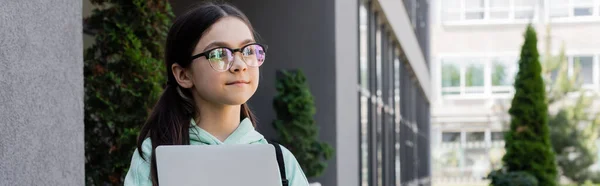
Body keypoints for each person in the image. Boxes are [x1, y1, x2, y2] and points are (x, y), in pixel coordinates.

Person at [123, 2, 309, 186]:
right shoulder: (153, 156)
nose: (240, 65)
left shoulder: (281, 162)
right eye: (220, 54)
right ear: (183, 74)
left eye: (248, 51)